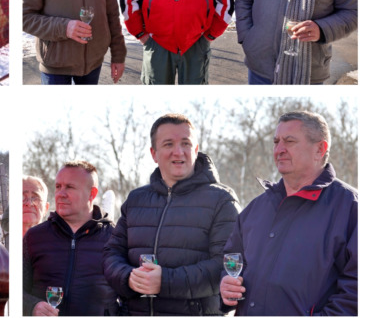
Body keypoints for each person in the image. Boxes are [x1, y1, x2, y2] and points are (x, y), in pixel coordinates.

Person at [220, 111, 356, 315]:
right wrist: (225, 286)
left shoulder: (351, 207)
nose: (279, 149)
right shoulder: (255, 208)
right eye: (276, 141)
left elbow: (359, 290)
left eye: (289, 141)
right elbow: (231, 261)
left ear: (320, 149)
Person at [103, 114, 239, 315]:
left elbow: (226, 265)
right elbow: (111, 254)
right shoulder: (135, 200)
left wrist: (165, 281)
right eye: (168, 144)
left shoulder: (221, 200)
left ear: (195, 149)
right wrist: (128, 277)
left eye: (186, 143)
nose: (179, 152)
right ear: (154, 153)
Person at [22, 161, 116, 316]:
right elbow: (14, 290)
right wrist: (32, 306)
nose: (60, 194)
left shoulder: (115, 238)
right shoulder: (34, 237)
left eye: (70, 187)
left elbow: (130, 297)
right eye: (58, 187)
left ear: (92, 193)